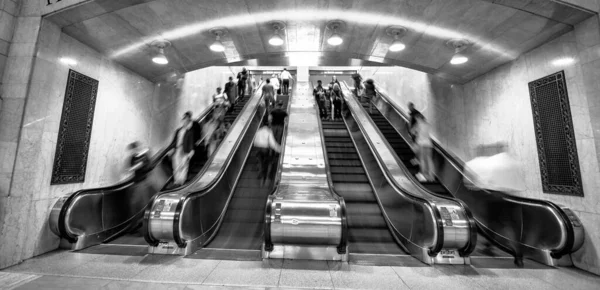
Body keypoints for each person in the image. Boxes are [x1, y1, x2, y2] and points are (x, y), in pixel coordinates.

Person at [463, 151, 527, 267]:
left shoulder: (489, 163)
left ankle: (489, 246)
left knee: (492, 225)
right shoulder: (513, 163)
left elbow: (477, 183)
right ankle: (519, 256)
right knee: (514, 227)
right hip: (514, 198)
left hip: (495, 198)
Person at [170, 112, 196, 186]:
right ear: (182, 121)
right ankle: (176, 181)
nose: (185, 121)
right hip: (178, 149)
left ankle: (181, 181)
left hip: (185, 150)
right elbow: (174, 142)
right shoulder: (178, 131)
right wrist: (171, 149)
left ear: (189, 121)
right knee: (176, 164)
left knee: (184, 165)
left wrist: (191, 151)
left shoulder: (190, 132)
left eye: (187, 120)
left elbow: (191, 143)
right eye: (184, 120)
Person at [411, 114, 434, 182]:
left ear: (419, 118)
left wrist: (416, 132)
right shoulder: (427, 124)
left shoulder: (418, 124)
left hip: (422, 144)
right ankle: (431, 176)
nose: (416, 120)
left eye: (417, 119)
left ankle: (423, 175)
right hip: (429, 144)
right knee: (429, 160)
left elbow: (412, 131)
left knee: (422, 160)